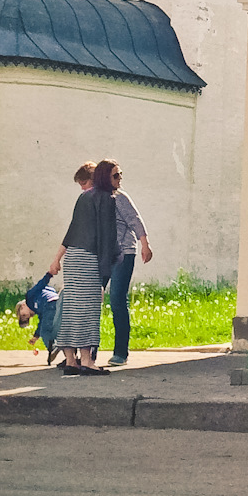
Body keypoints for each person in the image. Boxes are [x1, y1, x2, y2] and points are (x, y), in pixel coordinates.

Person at [48, 160, 121, 374]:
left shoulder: (84, 197)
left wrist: (58, 258)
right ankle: (87, 361)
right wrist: (105, 275)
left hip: (73, 258)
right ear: (104, 177)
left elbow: (71, 231)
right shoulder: (106, 199)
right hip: (89, 257)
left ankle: (71, 361)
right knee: (88, 309)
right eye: (115, 175)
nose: (119, 179)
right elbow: (107, 238)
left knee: (71, 307)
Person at [104, 163, 154, 365]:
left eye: (120, 175)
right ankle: (86, 351)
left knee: (117, 299)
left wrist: (145, 245)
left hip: (124, 253)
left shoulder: (120, 198)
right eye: (115, 175)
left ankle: (120, 352)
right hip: (104, 255)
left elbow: (135, 221)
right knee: (91, 300)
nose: (119, 179)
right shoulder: (97, 198)